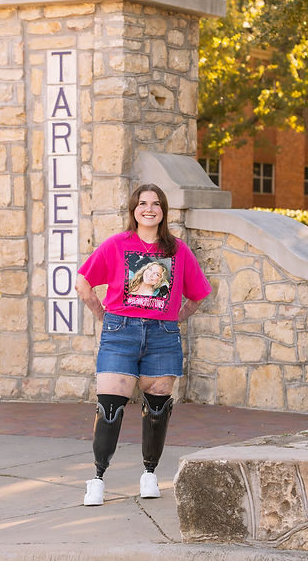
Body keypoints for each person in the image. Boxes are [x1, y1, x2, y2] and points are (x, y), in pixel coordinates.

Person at [75, 183, 211, 506]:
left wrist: (176, 317)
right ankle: (97, 478)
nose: (148, 209)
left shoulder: (177, 250)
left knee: (158, 408)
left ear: (163, 211)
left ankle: (149, 474)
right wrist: (100, 312)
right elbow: (83, 281)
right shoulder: (117, 245)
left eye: (155, 204)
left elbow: (199, 293)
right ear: (134, 210)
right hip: (120, 332)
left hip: (162, 337)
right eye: (142, 203)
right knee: (109, 406)